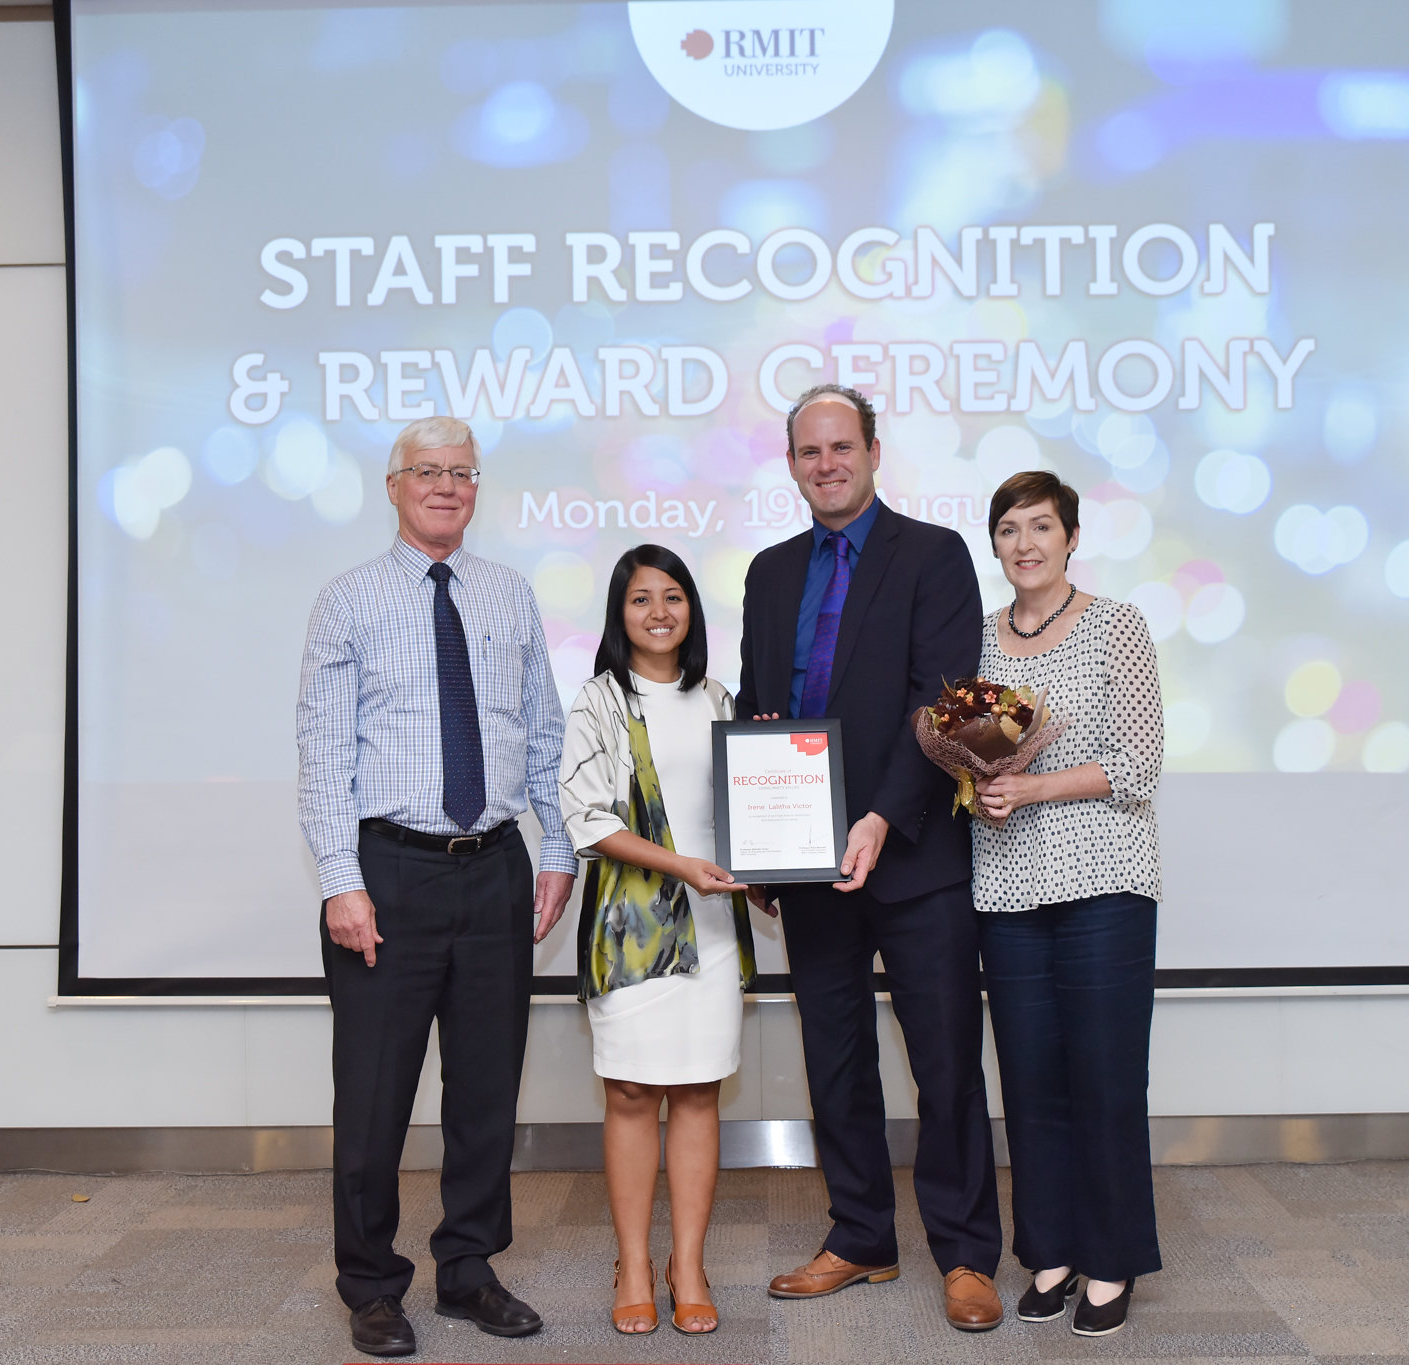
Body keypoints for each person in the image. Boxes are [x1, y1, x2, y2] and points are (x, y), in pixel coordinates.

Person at [296, 414, 576, 1358]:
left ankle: (468, 1269)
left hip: (494, 866)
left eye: (462, 472)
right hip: (389, 873)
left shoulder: (508, 594)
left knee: (486, 1092)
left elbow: (543, 734)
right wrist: (341, 878)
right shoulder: (348, 599)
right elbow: (323, 750)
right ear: (393, 485)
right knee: (374, 1097)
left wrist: (557, 850)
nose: (447, 486)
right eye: (428, 471)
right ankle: (372, 1284)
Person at [734, 383, 1005, 1331]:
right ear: (793, 463)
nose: (827, 464)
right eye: (809, 451)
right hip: (809, 865)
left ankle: (968, 1254)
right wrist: (761, 837)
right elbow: (758, 707)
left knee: (943, 1063)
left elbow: (939, 704)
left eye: (841, 446)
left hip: (914, 856)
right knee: (834, 1057)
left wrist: (885, 814)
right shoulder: (768, 573)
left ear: (875, 451)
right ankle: (861, 1236)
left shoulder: (934, 554)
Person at [971, 470, 1164, 1337]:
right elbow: (966, 759)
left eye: (1041, 526)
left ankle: (1112, 1255)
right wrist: (973, 790)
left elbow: (1137, 766)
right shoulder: (975, 642)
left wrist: (1033, 783)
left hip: (1105, 888)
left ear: (1073, 536)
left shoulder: (1117, 625)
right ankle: (1048, 1246)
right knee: (1032, 1080)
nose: (1025, 543)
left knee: (1106, 1080)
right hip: (1007, 888)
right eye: (1009, 528)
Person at [558, 545, 755, 1337]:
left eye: (673, 596)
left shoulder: (721, 699)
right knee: (634, 1092)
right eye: (642, 599)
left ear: (691, 611)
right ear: (620, 613)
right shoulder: (599, 699)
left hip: (710, 930)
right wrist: (680, 865)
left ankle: (689, 1263)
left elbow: (749, 811)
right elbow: (588, 817)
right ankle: (635, 1262)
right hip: (633, 930)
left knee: (701, 1090)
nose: (660, 612)